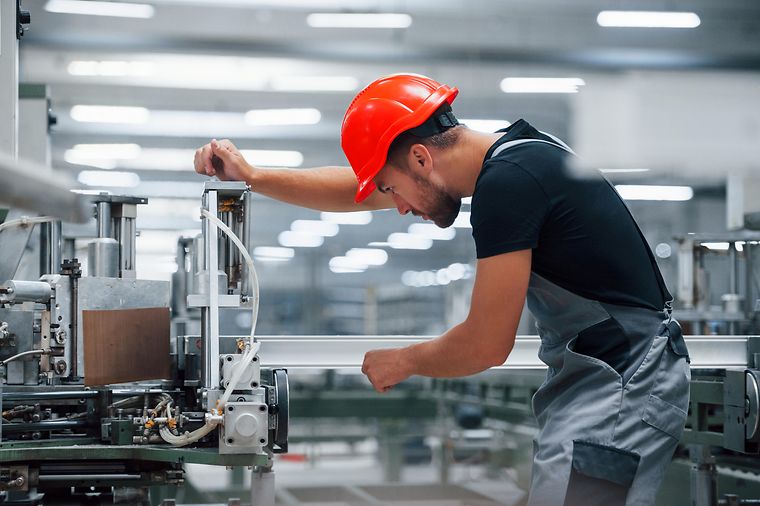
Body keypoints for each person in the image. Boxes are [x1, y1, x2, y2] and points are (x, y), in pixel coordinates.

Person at [194, 73, 690, 505]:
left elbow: (486, 344)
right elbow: (354, 190)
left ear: (420, 157)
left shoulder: (509, 186)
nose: (401, 209)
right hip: (603, 379)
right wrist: (253, 177)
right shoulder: (518, 157)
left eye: (392, 191)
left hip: (624, 384)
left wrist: (404, 360)